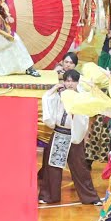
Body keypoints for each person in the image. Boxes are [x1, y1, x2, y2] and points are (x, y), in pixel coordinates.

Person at [39, 69, 100, 206]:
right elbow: (47, 100)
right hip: (59, 133)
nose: (70, 83)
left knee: (80, 168)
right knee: (52, 167)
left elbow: (85, 116)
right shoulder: (58, 95)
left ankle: (90, 197)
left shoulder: (82, 96)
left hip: (73, 136)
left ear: (77, 82)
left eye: (73, 81)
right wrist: (53, 89)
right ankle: (49, 196)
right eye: (67, 80)